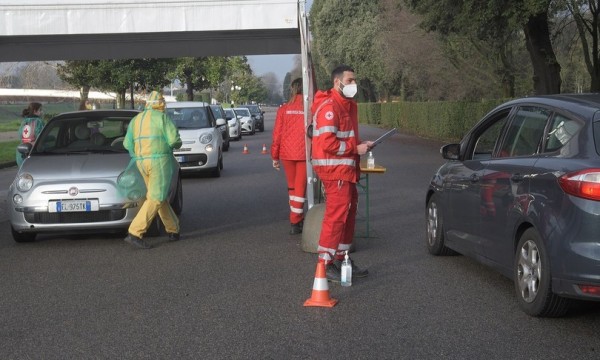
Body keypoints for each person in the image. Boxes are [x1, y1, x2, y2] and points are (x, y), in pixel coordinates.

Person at [310, 65, 373, 282]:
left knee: (347, 212)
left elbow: (341, 138)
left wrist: (360, 144)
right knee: (337, 216)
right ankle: (326, 263)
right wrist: (355, 148)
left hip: (343, 169)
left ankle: (342, 259)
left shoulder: (344, 104)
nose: (354, 84)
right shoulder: (331, 107)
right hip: (334, 170)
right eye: (350, 80)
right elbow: (327, 143)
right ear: (337, 82)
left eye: (354, 80)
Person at [123, 91, 182, 249]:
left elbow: (127, 144)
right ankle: (135, 232)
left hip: (141, 162)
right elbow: (174, 140)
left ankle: (173, 229)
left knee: (157, 196)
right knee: (157, 197)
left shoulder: (136, 120)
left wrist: (139, 154)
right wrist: (175, 145)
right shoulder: (162, 118)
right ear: (160, 104)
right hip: (160, 162)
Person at [271, 78, 307, 235]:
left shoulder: (283, 109)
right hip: (304, 153)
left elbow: (277, 135)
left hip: (286, 153)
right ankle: (295, 220)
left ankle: (296, 219)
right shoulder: (310, 108)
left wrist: (274, 156)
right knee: (300, 188)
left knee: (292, 187)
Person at [16, 102, 45, 167]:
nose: (41, 112)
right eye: (40, 110)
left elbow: (20, 136)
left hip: (22, 155)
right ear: (35, 111)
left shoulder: (24, 122)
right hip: (35, 153)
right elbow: (42, 136)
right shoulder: (39, 122)